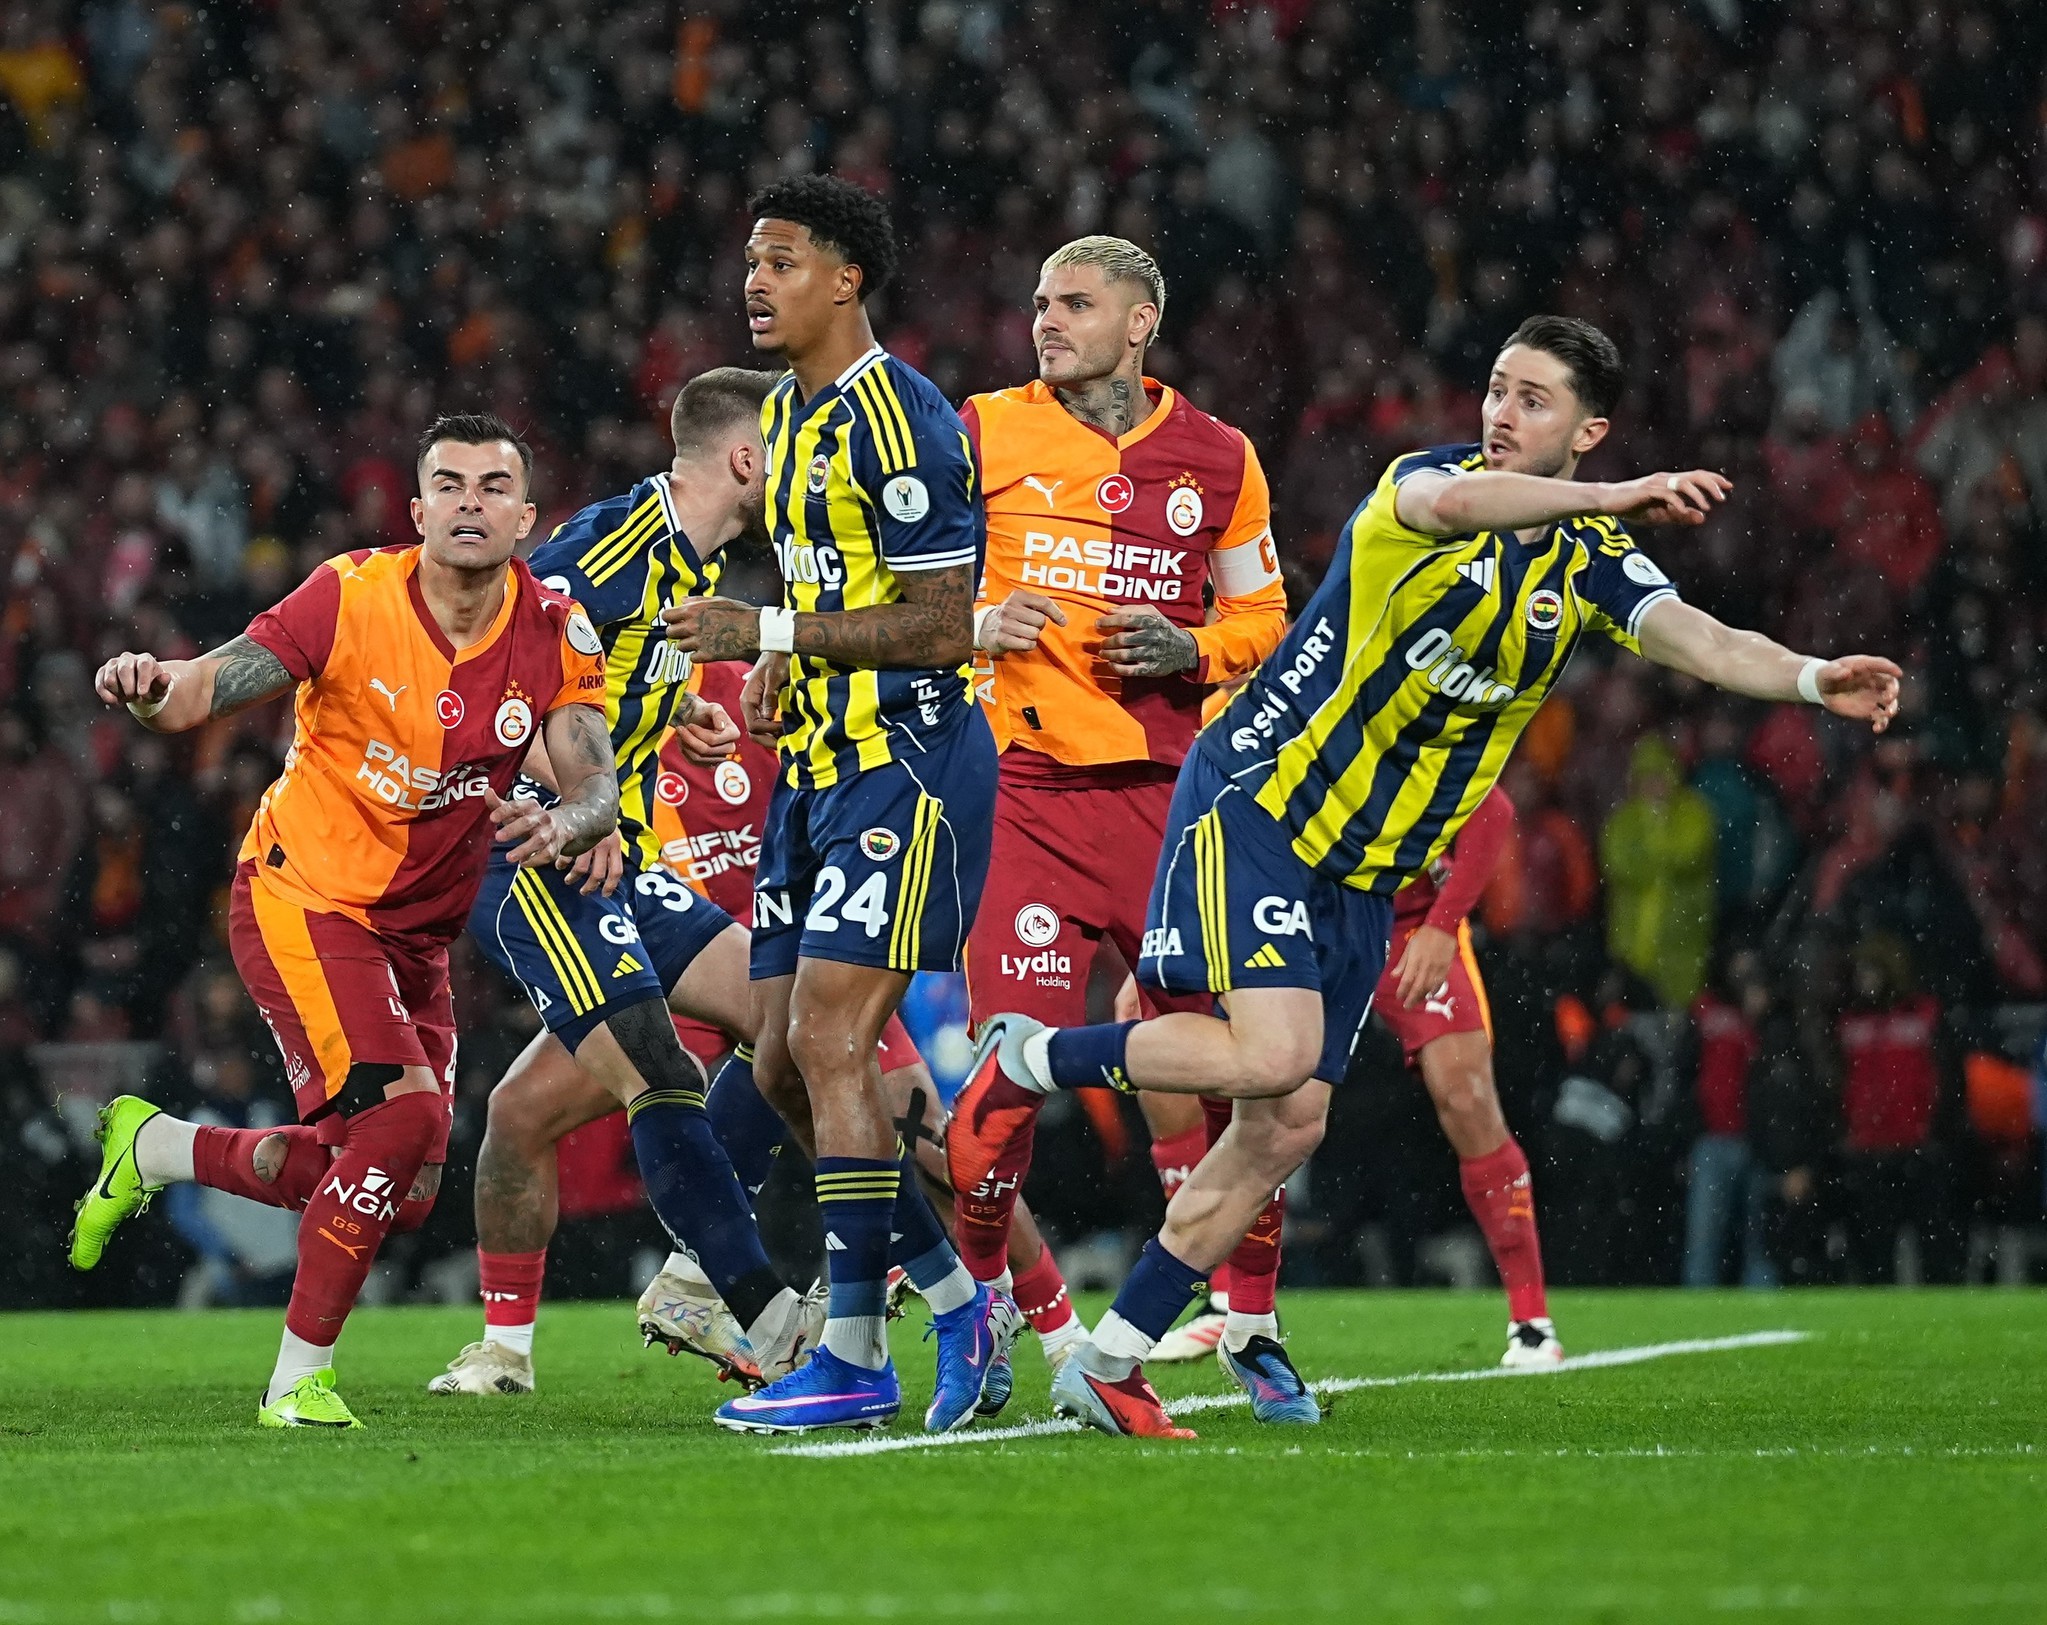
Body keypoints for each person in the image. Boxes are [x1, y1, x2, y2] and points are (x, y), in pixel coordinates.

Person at [955, 314, 1902, 1437]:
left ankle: (1112, 1359)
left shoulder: (1586, 562)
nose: (1500, 413)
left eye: (1533, 401)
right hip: (1263, 805)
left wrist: (1811, 679)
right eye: (1498, 388)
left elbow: (1697, 637)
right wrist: (1611, 496)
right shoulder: (1420, 488)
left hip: (1369, 870)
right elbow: (1461, 506)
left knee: (1289, 1125)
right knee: (1272, 1059)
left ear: (1587, 430)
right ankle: (1028, 1058)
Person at [71, 414, 618, 1428]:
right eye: (448, 484)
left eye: (493, 486)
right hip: (306, 897)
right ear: (417, 510)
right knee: (403, 1123)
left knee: (401, 1185)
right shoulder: (350, 593)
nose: (469, 501)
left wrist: (573, 820)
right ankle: (296, 1383)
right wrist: (148, 688)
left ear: (527, 519)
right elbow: (201, 691)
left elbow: (592, 779)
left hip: (417, 937)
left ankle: (159, 1148)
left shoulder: (553, 630)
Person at [665, 175, 1013, 1435]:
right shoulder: (791, 415)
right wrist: (782, 656)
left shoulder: (904, 419)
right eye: (751, 261)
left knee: (827, 1043)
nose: (754, 283)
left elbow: (941, 622)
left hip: (904, 762)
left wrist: (763, 630)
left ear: (847, 277)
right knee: (777, 1065)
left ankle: (855, 1352)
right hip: (813, 767)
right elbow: (829, 579)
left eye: (782, 261)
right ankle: (961, 1299)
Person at [425, 370, 827, 1399]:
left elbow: (594, 666)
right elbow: (498, 685)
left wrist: (674, 701)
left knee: (784, 1019)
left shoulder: (684, 563)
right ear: (750, 459)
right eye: (794, 448)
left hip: (609, 856)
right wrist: (578, 801)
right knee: (662, 1074)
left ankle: (522, 1340)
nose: (808, 471)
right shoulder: (604, 548)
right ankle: (764, 1316)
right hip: (530, 853)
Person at [940, 234, 1292, 1403]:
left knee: (1236, 1075)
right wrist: (973, 622)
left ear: (1140, 322)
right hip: (1024, 796)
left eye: (1076, 303)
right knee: (1002, 1085)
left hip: (1169, 808)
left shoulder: (1220, 456)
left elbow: (1266, 618)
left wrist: (1193, 648)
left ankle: (1251, 1320)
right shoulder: (981, 430)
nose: (1047, 320)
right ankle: (981, 1308)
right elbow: (904, 580)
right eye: (1040, 301)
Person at [1372, 785, 1563, 1363]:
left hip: (1408, 925)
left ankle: (1530, 1320)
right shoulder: (1272, 735)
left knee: (1467, 1100)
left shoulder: (1407, 732)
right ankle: (1235, 1303)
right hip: (1308, 920)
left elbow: (1493, 807)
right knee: (1274, 1103)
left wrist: (1442, 921)